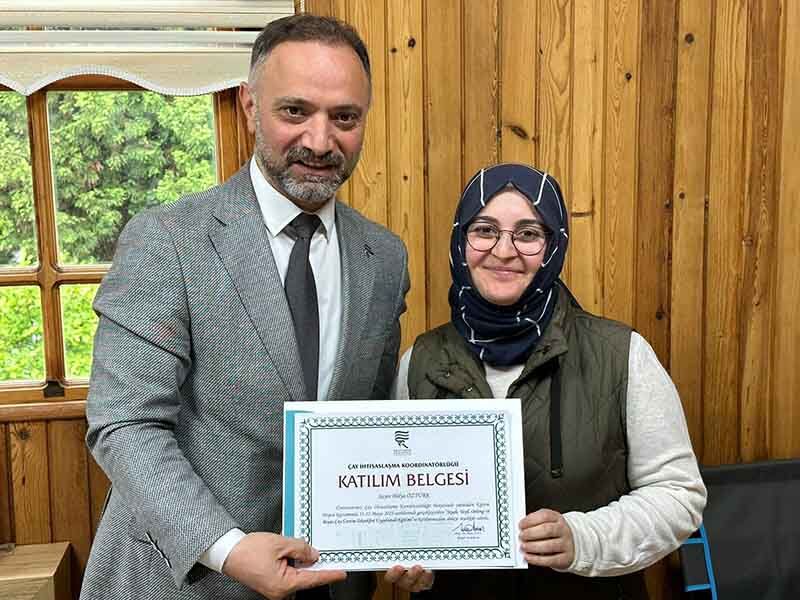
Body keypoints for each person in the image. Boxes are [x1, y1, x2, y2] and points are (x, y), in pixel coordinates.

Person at [81, 14, 415, 600]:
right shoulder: (167, 240)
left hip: (327, 582)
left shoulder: (384, 258)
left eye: (344, 117)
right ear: (249, 106)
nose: (320, 141)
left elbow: (368, 423)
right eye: (295, 111)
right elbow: (124, 423)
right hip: (182, 582)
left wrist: (409, 533)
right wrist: (227, 547)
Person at [393, 163, 707, 599]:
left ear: (554, 246)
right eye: (484, 230)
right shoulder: (419, 361)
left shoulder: (621, 354)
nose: (504, 250)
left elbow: (678, 494)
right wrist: (420, 568)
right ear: (460, 241)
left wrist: (584, 539)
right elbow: (406, 505)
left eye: (528, 233)